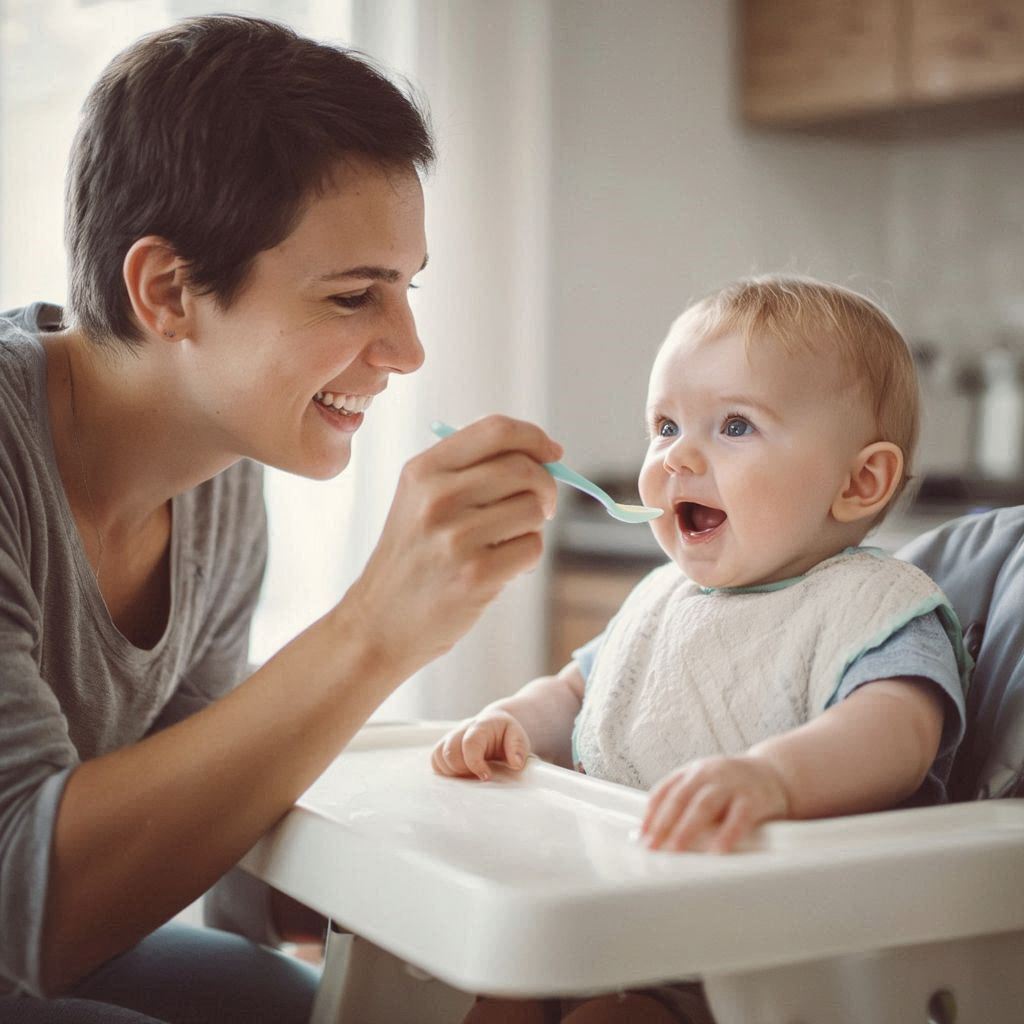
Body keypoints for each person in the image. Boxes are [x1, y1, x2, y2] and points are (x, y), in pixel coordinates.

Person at [0, 15, 565, 1023]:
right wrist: (375, 628)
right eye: (354, 296)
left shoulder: (217, 473)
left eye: (406, 288)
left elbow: (202, 823)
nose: (406, 350)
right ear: (168, 290)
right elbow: (29, 909)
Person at [433, 276, 971, 1024]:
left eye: (736, 427)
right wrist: (514, 723)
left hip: (781, 965)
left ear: (860, 481)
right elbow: (583, 692)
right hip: (621, 917)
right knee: (499, 989)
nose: (677, 458)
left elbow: (898, 734)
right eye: (664, 426)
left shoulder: (873, 610)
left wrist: (770, 779)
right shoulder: (663, 601)